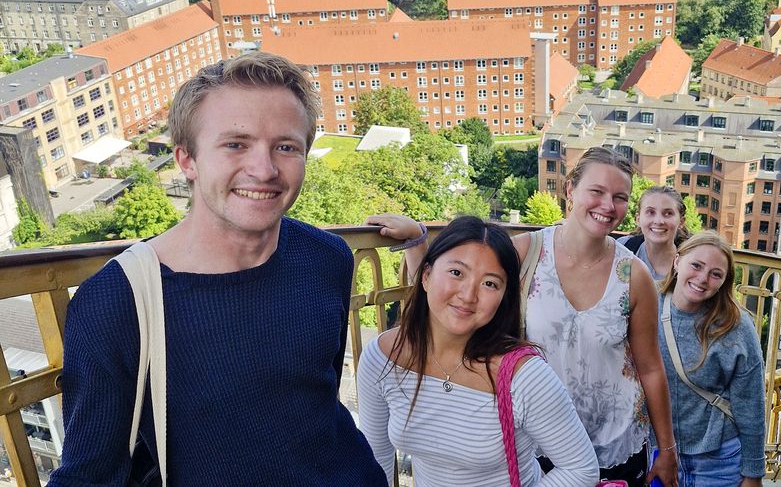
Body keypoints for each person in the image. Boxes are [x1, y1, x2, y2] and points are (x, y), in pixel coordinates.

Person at [50, 54, 386, 485]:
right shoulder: (118, 302)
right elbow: (89, 476)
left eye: (286, 146)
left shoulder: (326, 257)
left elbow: (317, 401)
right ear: (186, 159)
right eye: (236, 144)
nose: (264, 170)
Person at [367, 147, 679, 487]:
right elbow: (462, 302)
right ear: (570, 189)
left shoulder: (634, 276)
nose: (608, 205)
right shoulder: (525, 253)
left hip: (613, 442)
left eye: (620, 197)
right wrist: (418, 245)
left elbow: (650, 367)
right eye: (597, 191)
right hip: (533, 437)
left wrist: (667, 449)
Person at [357, 216, 599, 487]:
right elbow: (374, 461)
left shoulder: (524, 376)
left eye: (490, 283)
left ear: (504, 297)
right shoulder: (383, 358)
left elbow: (581, 468)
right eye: (456, 273)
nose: (468, 295)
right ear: (426, 276)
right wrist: (416, 240)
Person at [658, 232, 766, 487]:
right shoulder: (646, 304)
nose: (703, 279)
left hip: (718, 461)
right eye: (696, 265)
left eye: (716, 274)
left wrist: (753, 474)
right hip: (657, 454)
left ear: (724, 282)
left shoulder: (736, 326)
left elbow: (751, 404)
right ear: (677, 261)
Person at [620, 186, 690, 281]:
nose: (658, 221)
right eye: (650, 212)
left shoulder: (691, 262)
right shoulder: (622, 248)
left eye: (668, 213)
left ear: (681, 222)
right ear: (638, 219)